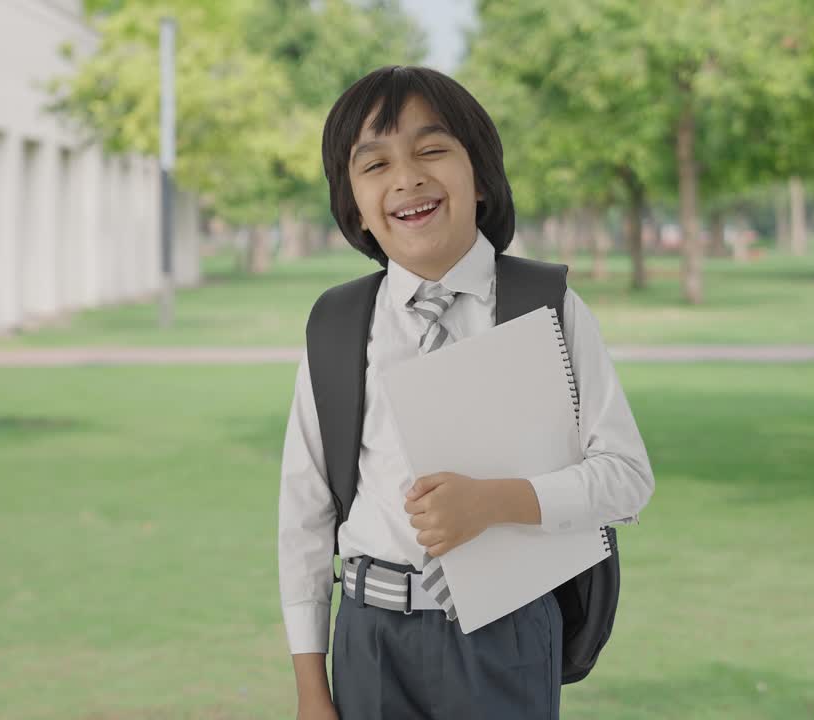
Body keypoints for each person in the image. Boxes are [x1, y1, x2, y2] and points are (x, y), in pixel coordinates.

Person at [278, 65, 654, 720]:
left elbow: (626, 478)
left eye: (431, 150)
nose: (407, 178)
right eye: (375, 165)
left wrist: (497, 502)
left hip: (505, 637)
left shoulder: (546, 307)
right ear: (355, 208)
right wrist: (312, 686)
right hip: (368, 637)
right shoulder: (339, 326)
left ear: (479, 177)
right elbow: (304, 515)